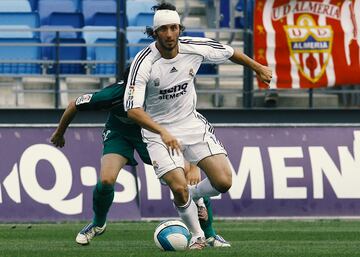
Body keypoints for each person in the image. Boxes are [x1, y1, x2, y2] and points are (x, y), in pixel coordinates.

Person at [124, 2, 272, 250]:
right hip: (157, 132)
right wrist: (163, 132)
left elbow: (229, 52)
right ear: (155, 32)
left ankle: (196, 196)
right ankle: (196, 235)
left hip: (191, 123)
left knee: (223, 182)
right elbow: (133, 110)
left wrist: (258, 67)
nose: (170, 34)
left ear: (179, 28)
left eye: (174, 28)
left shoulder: (195, 47)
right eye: (163, 29)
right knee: (179, 187)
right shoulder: (144, 62)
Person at [50, 67, 230, 247]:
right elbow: (74, 104)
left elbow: (187, 124)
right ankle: (98, 224)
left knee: (187, 180)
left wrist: (194, 166)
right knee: (106, 180)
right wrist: (59, 133)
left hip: (152, 135)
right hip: (119, 134)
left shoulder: (161, 94)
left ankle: (209, 234)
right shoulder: (112, 94)